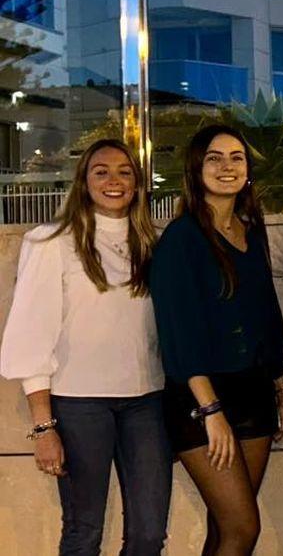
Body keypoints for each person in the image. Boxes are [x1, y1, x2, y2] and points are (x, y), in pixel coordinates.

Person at [0, 140, 170, 556]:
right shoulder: (50, 241)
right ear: (84, 181)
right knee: (83, 531)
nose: (114, 181)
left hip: (146, 403)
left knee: (149, 534)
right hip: (79, 405)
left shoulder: (153, 242)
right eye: (101, 171)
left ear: (138, 183)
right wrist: (44, 427)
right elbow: (30, 334)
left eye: (124, 172)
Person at [150, 124, 283, 555]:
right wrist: (210, 410)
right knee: (242, 527)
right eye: (215, 157)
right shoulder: (181, 238)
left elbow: (265, 310)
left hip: (254, 392)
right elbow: (179, 331)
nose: (227, 167)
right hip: (201, 398)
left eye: (236, 158)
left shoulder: (250, 230)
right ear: (196, 169)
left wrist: (279, 380)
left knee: (225, 528)